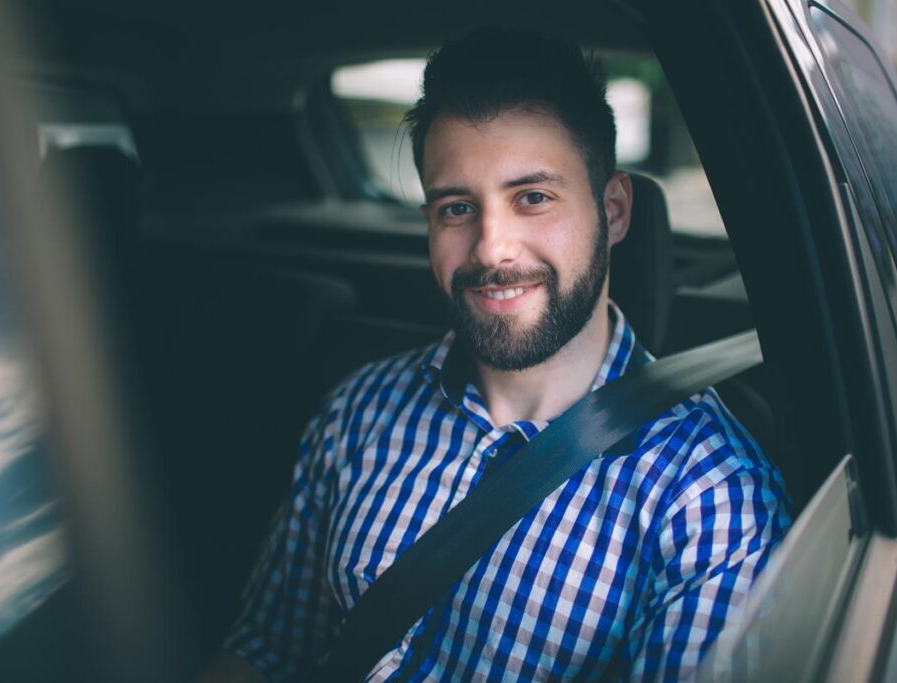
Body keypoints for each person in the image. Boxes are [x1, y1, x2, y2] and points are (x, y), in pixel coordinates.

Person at [202, 26, 790, 683]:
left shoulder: (706, 495)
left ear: (614, 210)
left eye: (532, 198)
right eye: (457, 208)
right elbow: (262, 648)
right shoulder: (358, 408)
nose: (491, 249)